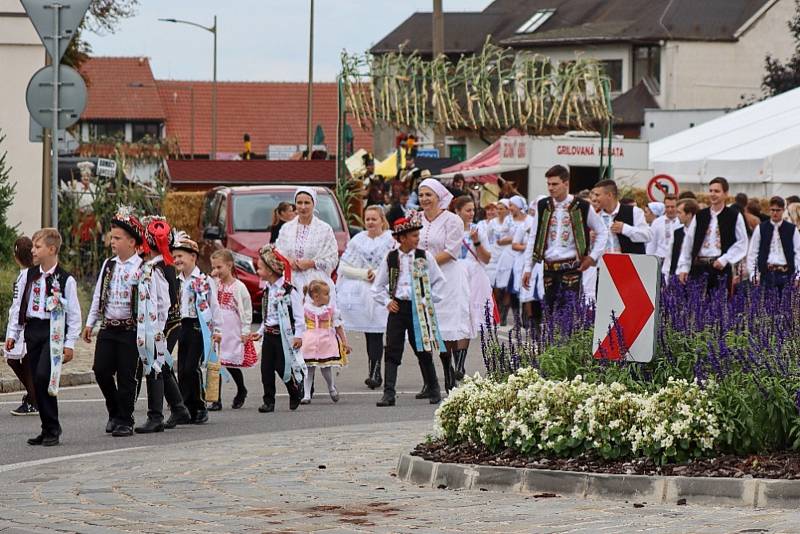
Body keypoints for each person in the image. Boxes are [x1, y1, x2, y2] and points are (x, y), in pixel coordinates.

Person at [6, 228, 82, 446]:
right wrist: (14, 334)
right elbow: (20, 306)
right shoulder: (28, 276)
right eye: (33, 246)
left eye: (37, 246)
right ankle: (47, 428)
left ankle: (53, 427)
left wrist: (69, 344)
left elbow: (74, 315)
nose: (33, 250)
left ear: (51, 249)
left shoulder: (65, 279)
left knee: (43, 376)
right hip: (33, 330)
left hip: (53, 331)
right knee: (37, 380)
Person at [83, 206, 147, 438]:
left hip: (130, 329)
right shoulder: (109, 265)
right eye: (112, 237)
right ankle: (114, 410)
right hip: (109, 327)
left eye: (118, 238)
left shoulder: (142, 268)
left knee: (127, 375)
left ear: (132, 242)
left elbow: (153, 302)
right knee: (101, 370)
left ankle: (125, 419)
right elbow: (99, 294)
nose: (113, 241)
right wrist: (90, 322)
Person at [372, 215, 446, 407]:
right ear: (402, 238)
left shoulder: (424, 256)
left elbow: (439, 281)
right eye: (413, 235)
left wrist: (427, 298)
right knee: (392, 348)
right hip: (398, 308)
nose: (417, 238)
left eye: (417, 235)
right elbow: (377, 286)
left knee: (422, 348)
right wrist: (387, 301)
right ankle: (389, 393)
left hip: (417, 308)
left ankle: (434, 387)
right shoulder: (391, 257)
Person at [134, 216, 191, 434]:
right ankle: (178, 408)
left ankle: (155, 416)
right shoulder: (164, 263)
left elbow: (162, 301)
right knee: (163, 364)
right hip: (171, 320)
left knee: (155, 363)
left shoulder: (155, 267)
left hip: (162, 322)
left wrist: (154, 327)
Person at [522, 165, 608, 307]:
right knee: (550, 313)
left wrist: (592, 257)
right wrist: (528, 268)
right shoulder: (543, 205)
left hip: (572, 267)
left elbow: (602, 231)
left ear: (566, 184)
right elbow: (534, 236)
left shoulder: (582, 206)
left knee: (569, 313)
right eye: (548, 184)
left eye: (555, 184)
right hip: (548, 267)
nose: (550, 188)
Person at [417, 178, 472, 394]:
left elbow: (451, 251)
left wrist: (424, 265)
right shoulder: (416, 218)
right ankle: (430, 381)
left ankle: (450, 378)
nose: (424, 199)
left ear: (439, 196)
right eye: (421, 195)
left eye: (428, 195)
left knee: (445, 330)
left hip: (447, 278)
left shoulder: (452, 220)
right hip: (422, 278)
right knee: (425, 329)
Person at [336, 206, 395, 389]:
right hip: (363, 291)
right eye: (367, 219)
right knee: (372, 334)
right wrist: (364, 273)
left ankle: (385, 371)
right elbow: (344, 266)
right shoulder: (358, 240)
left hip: (385, 290)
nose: (370, 222)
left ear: (381, 220)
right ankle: (374, 372)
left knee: (386, 333)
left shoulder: (390, 239)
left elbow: (395, 262)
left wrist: (378, 273)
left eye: (373, 219)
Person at [171, 233, 222, 425]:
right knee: (182, 369)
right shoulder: (177, 281)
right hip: (182, 327)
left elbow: (214, 306)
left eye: (180, 256)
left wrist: (217, 330)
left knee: (192, 367)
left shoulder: (203, 280)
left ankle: (200, 407)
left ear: (193, 256)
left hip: (199, 328)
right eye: (174, 257)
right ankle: (186, 407)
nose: (177, 260)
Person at [251, 244, 305, 413]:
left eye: (260, 268)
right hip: (269, 334)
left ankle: (294, 390)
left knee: (283, 367)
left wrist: (298, 336)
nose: (257, 271)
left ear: (271, 270)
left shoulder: (289, 291)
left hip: (283, 336)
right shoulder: (267, 290)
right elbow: (267, 315)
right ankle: (269, 401)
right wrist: (260, 332)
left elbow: (298, 317)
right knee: (266, 369)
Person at [676, 177, 749, 291]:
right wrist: (684, 267)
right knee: (697, 304)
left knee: (720, 305)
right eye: (711, 191)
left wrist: (725, 259)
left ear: (725, 194)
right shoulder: (700, 215)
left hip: (720, 268)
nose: (713, 194)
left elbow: (742, 242)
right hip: (699, 267)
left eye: (717, 191)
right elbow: (688, 243)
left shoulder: (733, 216)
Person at [452, 195, 493, 378]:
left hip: (473, 278)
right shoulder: (450, 230)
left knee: (467, 319)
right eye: (467, 210)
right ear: (457, 211)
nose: (471, 214)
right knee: (453, 318)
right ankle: (452, 361)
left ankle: (459, 365)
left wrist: (476, 241)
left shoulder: (479, 230)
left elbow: (486, 258)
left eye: (473, 210)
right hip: (453, 277)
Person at [209, 249, 256, 411]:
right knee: (217, 362)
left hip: (232, 329)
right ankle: (216, 399)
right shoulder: (214, 284)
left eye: (219, 267)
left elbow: (247, 310)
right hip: (218, 328)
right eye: (214, 267)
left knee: (230, 363)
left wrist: (245, 331)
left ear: (229, 266)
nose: (216, 271)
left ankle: (241, 389)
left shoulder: (239, 287)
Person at [275, 187, 340, 301]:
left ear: (314, 204)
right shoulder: (286, 228)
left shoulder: (325, 229)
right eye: (299, 203)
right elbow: (278, 253)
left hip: (317, 285)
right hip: (291, 282)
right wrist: (288, 262)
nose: (303, 207)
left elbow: (333, 259)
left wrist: (312, 263)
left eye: (307, 203)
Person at [300, 280, 349, 404]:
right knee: (308, 368)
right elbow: (300, 325)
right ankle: (306, 395)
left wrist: (344, 342)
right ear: (316, 296)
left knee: (325, 368)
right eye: (326, 294)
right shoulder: (306, 308)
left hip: (326, 342)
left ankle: (331, 387)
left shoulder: (330, 310)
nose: (329, 296)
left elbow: (338, 327)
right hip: (309, 342)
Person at [4, 237, 37, 416]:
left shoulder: (26, 276)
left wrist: (13, 332)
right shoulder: (27, 273)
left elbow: (18, 305)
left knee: (20, 361)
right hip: (23, 325)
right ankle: (33, 396)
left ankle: (34, 399)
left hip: (24, 326)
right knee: (18, 361)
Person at [746, 196, 800, 291]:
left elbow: (798, 253)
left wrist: (797, 276)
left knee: (786, 305)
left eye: (778, 210)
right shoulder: (761, 228)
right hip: (766, 274)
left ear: (783, 210)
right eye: (772, 210)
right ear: (769, 210)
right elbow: (752, 252)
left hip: (786, 274)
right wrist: (753, 274)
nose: (775, 213)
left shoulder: (792, 229)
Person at [494, 196, 532, 323]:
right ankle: (508, 316)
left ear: (520, 206)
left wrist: (518, 240)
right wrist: (514, 238)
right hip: (509, 256)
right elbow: (500, 238)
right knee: (508, 288)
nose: (510, 208)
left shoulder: (530, 220)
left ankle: (526, 317)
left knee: (524, 287)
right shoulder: (508, 220)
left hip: (523, 257)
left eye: (512, 205)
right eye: (509, 205)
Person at [592, 180, 652, 255]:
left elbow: (647, 235)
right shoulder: (595, 216)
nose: (594, 199)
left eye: (597, 195)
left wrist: (625, 228)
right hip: (602, 265)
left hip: (629, 264)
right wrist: (590, 239)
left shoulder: (634, 212)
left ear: (609, 195)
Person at [662, 199, 698, 279]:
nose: (677, 215)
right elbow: (669, 256)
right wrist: (666, 276)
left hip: (692, 277)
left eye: (679, 213)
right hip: (675, 276)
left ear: (689, 214)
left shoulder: (699, 234)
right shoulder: (677, 233)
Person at [490, 200, 511, 321]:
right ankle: (496, 309)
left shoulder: (511, 222)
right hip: (495, 254)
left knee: (507, 285)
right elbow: (488, 238)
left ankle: (504, 312)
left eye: (501, 208)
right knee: (495, 285)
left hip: (508, 254)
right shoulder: (492, 223)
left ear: (507, 210)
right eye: (497, 208)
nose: (499, 211)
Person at [647, 194, 680, 261]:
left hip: (676, 260)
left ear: (677, 207)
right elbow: (652, 243)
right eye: (667, 207)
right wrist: (648, 260)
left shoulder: (681, 222)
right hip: (660, 259)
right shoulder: (657, 222)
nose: (670, 210)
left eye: (672, 207)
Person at [476, 202, 499, 284]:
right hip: (484, 254)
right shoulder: (480, 224)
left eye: (493, 210)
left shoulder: (503, 224)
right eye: (488, 209)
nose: (490, 212)